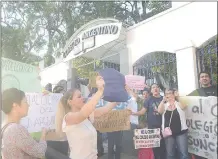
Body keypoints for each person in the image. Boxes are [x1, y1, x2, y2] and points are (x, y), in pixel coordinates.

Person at [55, 76, 118, 159]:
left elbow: (106, 109)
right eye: (79, 97)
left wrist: (119, 95)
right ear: (70, 102)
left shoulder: (87, 115)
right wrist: (100, 90)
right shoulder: (68, 117)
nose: (83, 98)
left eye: (82, 95)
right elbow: (83, 113)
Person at [1, 88, 47, 159]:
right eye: (25, 102)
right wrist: (43, 135)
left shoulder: (5, 126)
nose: (28, 105)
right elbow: (40, 152)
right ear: (15, 105)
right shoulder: (15, 129)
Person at [188, 71, 217, 159]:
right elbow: (185, 103)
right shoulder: (196, 92)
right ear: (199, 80)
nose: (204, 78)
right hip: (205, 127)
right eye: (202, 77)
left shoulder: (216, 89)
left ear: (210, 79)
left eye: (206, 76)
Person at [132, 83, 166, 159]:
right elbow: (142, 111)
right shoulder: (149, 99)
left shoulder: (164, 99)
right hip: (152, 128)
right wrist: (134, 113)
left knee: (164, 147)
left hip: (163, 127)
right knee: (155, 148)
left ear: (159, 89)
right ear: (151, 90)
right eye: (153, 87)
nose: (155, 88)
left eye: (157, 87)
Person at [158, 88, 188, 159]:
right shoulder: (165, 105)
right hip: (168, 134)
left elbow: (184, 106)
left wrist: (178, 97)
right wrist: (163, 101)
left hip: (181, 132)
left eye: (170, 93)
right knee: (170, 154)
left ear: (174, 94)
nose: (168, 95)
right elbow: (159, 111)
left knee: (183, 154)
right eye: (166, 94)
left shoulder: (178, 104)